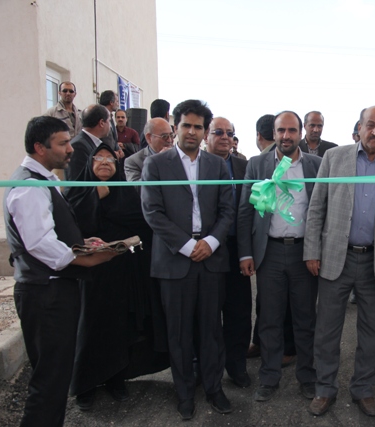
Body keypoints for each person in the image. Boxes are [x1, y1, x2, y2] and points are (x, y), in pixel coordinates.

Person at [304, 106, 375, 417]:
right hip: (335, 257)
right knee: (327, 330)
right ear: (360, 127)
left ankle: (364, 388)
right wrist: (311, 250)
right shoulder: (334, 158)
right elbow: (317, 207)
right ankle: (324, 388)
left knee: (372, 331)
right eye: (370, 125)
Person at [4, 116, 116, 426]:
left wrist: (81, 243)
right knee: (49, 381)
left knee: (55, 377)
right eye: (63, 143)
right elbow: (39, 243)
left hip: (53, 291)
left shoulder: (45, 180)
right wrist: (86, 259)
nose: (70, 149)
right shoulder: (29, 187)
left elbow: (51, 232)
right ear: (40, 147)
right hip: (46, 294)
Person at [141, 99, 235, 420]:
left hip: (211, 258)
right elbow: (152, 212)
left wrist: (210, 242)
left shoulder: (217, 166)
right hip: (174, 260)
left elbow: (227, 210)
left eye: (198, 127)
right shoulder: (156, 165)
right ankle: (183, 394)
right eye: (186, 125)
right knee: (178, 333)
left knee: (211, 330)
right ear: (175, 127)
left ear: (205, 131)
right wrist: (186, 245)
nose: (192, 132)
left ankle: (214, 388)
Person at [66, 144, 169, 410]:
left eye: (110, 159)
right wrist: (95, 197)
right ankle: (86, 385)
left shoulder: (126, 192)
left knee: (121, 327)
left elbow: (142, 225)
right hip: (90, 275)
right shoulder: (77, 191)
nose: (104, 162)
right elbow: (71, 227)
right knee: (90, 327)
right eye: (98, 158)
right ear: (89, 164)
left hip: (123, 273)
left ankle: (116, 378)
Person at [238, 111, 321, 402]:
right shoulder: (257, 164)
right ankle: (269, 378)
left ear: (300, 133)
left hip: (304, 253)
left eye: (291, 130)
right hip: (269, 252)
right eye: (280, 130)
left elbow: (322, 209)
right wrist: (245, 253)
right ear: (273, 134)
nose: (286, 136)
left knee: (305, 319)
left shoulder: (316, 166)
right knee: (269, 319)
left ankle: (307, 376)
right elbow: (245, 211)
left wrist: (317, 251)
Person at [204, 117, 252, 388]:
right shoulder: (197, 165)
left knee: (239, 311)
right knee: (208, 312)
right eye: (219, 132)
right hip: (205, 248)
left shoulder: (245, 167)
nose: (225, 137)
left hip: (237, 248)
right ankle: (207, 368)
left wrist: (247, 251)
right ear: (206, 136)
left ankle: (236, 365)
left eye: (230, 133)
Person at [65, 104, 112, 181]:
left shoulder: (92, 143)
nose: (110, 126)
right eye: (109, 121)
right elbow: (77, 181)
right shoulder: (78, 146)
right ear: (101, 123)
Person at [124, 118, 174, 186]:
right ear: (149, 138)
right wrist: (158, 162)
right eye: (164, 136)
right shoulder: (133, 161)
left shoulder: (180, 155)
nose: (169, 140)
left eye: (171, 135)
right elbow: (137, 188)